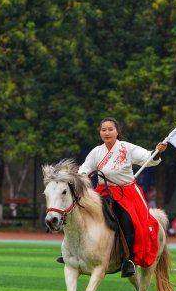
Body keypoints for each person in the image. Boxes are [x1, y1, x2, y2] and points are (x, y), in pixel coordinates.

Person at [67, 117, 167, 278]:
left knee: (128, 220)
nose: (107, 132)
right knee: (80, 213)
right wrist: (80, 177)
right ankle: (72, 253)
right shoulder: (96, 152)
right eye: (103, 129)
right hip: (103, 192)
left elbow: (148, 158)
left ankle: (129, 259)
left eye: (110, 129)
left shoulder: (126, 148)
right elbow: (85, 168)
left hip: (126, 193)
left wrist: (157, 151)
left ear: (117, 131)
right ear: (100, 132)